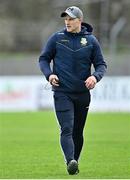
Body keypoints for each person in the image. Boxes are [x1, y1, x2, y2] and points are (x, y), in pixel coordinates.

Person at [39, 6, 107, 175]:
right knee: (67, 128)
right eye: (66, 19)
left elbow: (101, 64)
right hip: (62, 92)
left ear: (79, 21)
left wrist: (95, 77)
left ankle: (74, 162)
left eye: (71, 19)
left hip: (83, 94)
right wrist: (49, 75)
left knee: (78, 131)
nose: (67, 22)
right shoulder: (57, 38)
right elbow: (44, 59)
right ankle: (70, 160)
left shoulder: (91, 41)